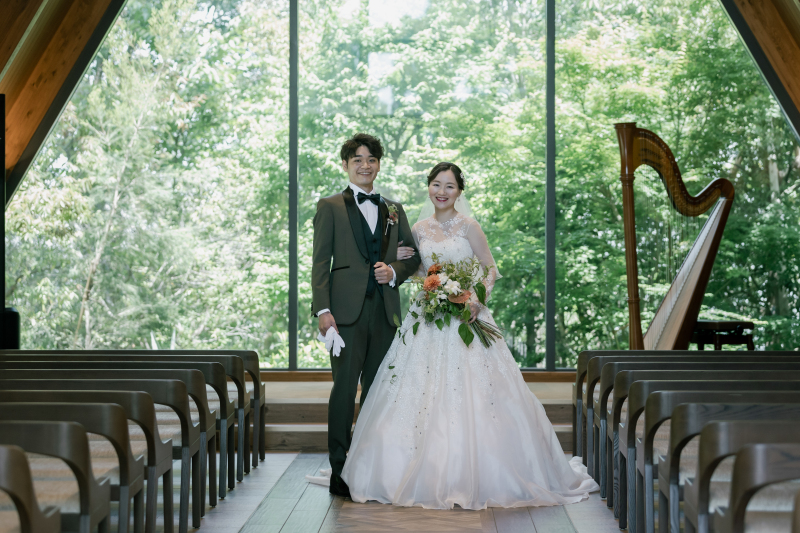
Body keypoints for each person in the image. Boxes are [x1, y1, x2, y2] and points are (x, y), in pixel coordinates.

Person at [337, 161, 599, 509]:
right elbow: (416, 268)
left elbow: (490, 268)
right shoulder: (417, 228)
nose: (441, 192)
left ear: (460, 191)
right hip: (428, 317)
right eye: (436, 184)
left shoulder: (469, 226)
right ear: (428, 188)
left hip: (467, 316)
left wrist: (476, 298)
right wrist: (401, 260)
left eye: (449, 186)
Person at [311, 133, 421, 497]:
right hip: (344, 315)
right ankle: (340, 472)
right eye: (357, 159)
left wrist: (394, 272)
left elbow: (413, 257)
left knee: (379, 393)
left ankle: (373, 467)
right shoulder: (329, 207)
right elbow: (319, 264)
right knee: (343, 391)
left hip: (385, 313)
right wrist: (323, 311)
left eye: (371, 158)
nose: (364, 165)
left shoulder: (394, 209)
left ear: (378, 164)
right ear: (346, 164)